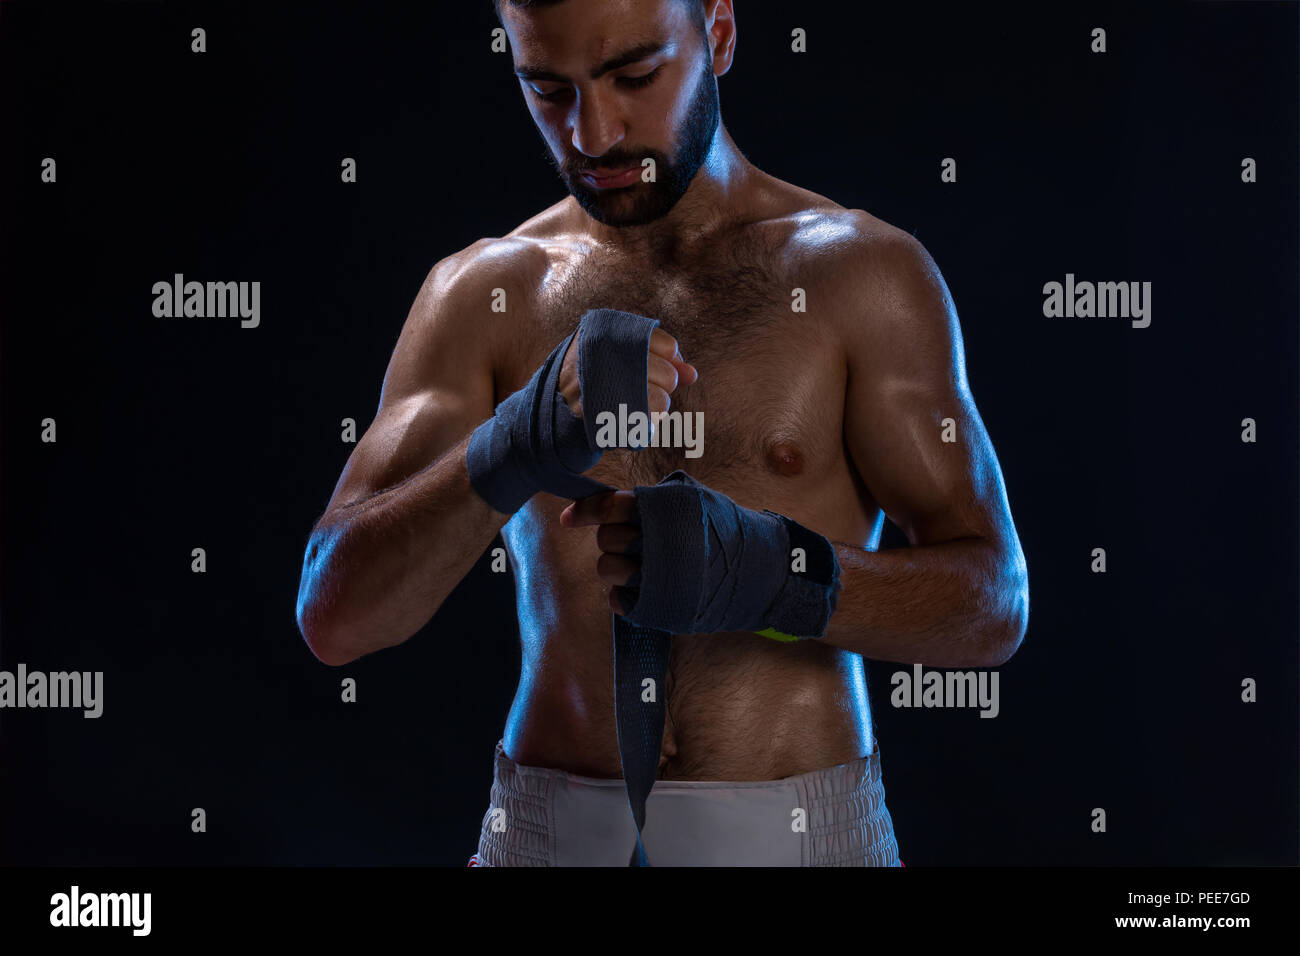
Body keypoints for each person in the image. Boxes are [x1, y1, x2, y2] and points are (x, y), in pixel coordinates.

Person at [295, 0, 1029, 866]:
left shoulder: (859, 276)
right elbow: (334, 617)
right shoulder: (485, 294)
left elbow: (993, 605)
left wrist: (772, 575)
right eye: (548, 89)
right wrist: (513, 443)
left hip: (797, 835)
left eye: (635, 76)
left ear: (717, 32)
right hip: (552, 837)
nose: (594, 134)